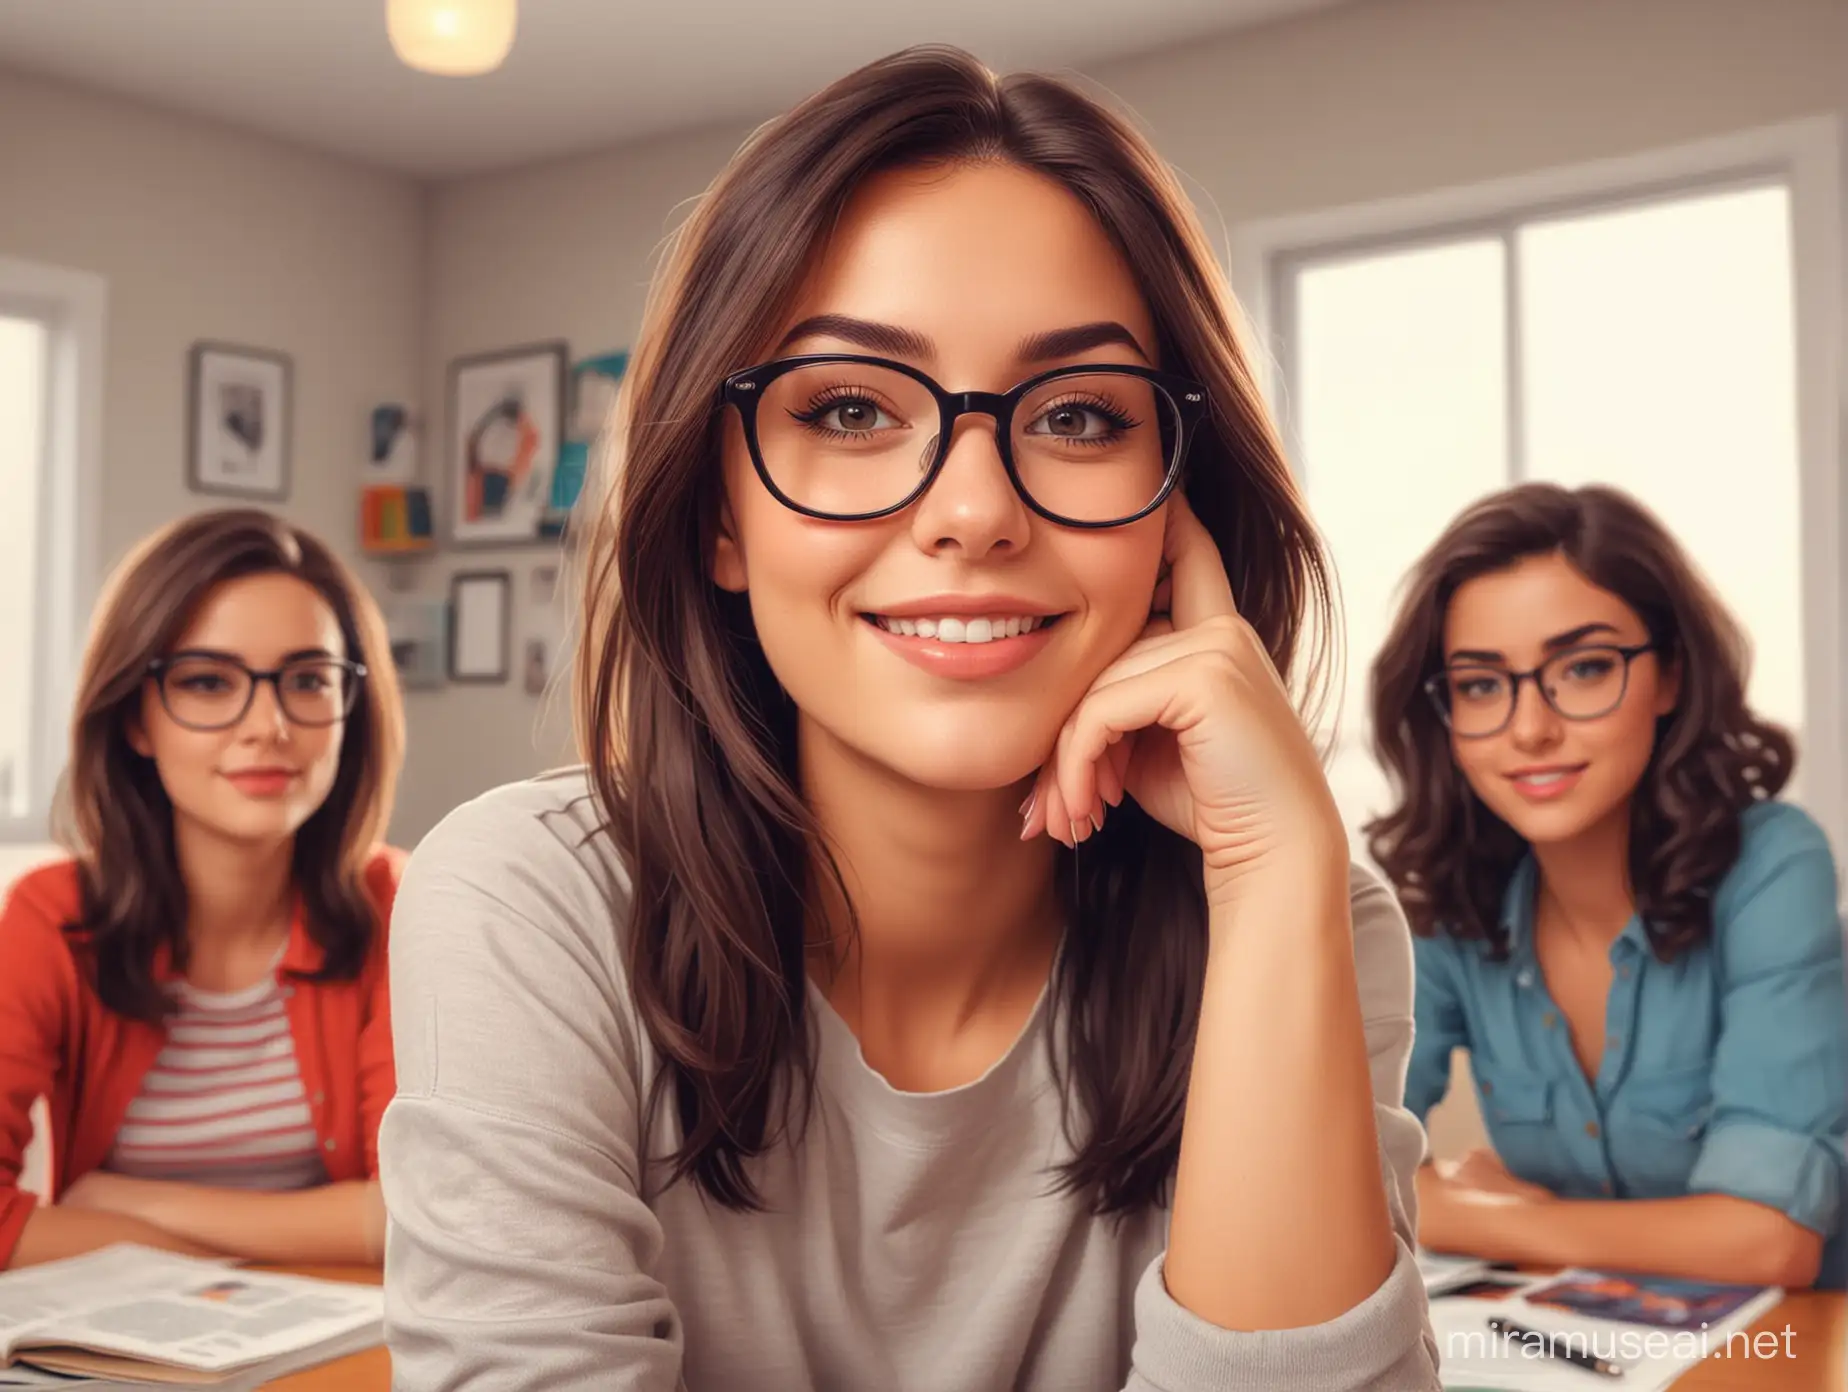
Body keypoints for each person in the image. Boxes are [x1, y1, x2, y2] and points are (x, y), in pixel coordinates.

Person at [380, 46, 1438, 1390]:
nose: (976, 508)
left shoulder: (1306, 918)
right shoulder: (535, 902)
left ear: (1181, 519)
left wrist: (1276, 875)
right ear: (718, 514)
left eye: (1075, 415)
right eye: (851, 407)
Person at [1368, 482, 1847, 1289]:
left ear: (1669, 677)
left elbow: (1770, 1241)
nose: (1530, 729)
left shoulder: (1770, 867)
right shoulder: (1452, 900)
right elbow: (1335, 1168)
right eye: (1482, 684)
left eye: (1584, 668)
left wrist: (1489, 1216)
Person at [0, 508, 406, 1270]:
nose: (267, 725)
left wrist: (129, 1199)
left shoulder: (401, 908)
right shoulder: (50, 918)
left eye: (308, 680)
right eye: (208, 681)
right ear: (136, 721)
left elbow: (414, 1216)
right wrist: (207, 1262)